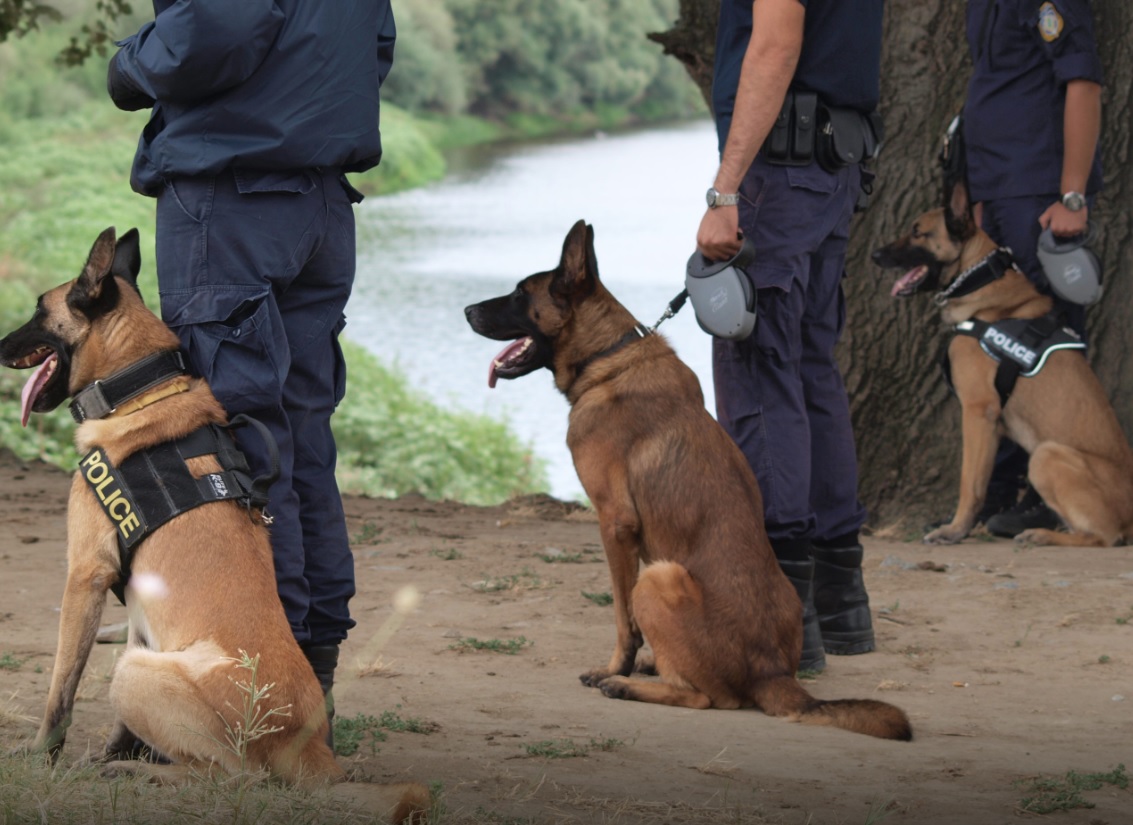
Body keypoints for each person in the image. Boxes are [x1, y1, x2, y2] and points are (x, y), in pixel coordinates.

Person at [106, 0, 397, 738]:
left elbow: (213, 31)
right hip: (321, 206)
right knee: (299, 437)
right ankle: (312, 674)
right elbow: (374, 47)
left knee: (233, 442)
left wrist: (130, 62)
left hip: (234, 201)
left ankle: (266, 687)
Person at [697, 0, 881, 672]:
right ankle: (838, 600)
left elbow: (774, 45)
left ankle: (779, 610)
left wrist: (725, 190)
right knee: (808, 368)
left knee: (759, 369)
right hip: (832, 166)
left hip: (781, 170)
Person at [961, 0, 1103, 537]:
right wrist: (976, 194)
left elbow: (1082, 81)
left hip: (1039, 190)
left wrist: (1071, 193)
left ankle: (1053, 499)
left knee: (1049, 349)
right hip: (994, 190)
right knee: (995, 348)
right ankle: (998, 489)